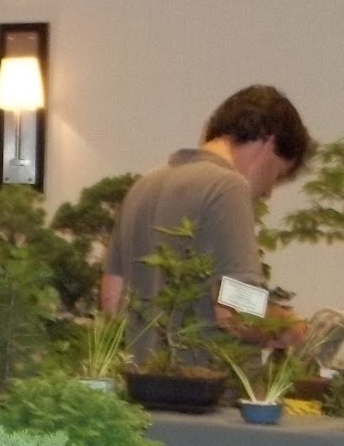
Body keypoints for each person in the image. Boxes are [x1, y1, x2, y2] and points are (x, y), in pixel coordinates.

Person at [101, 84, 313, 360]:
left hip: (141, 388)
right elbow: (235, 311)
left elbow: (111, 300)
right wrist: (287, 324)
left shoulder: (143, 186)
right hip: (209, 392)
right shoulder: (228, 186)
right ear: (269, 143)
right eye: (278, 174)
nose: (269, 192)